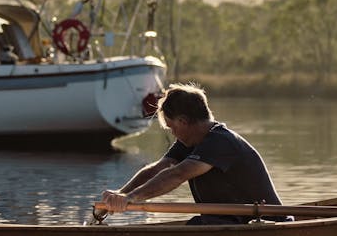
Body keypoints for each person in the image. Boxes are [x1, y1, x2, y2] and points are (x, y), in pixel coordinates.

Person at [99, 83, 289, 224]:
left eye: (171, 126)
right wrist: (120, 194)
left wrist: (131, 198)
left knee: (197, 226)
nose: (172, 133)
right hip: (230, 222)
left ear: (182, 121)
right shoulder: (189, 142)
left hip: (267, 225)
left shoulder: (220, 141)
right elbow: (158, 169)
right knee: (199, 224)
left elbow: (178, 174)